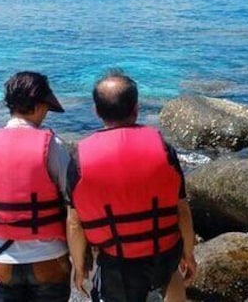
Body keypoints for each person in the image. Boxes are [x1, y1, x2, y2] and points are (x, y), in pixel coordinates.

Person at [67, 70, 197, 302]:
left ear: (96, 111)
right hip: (163, 252)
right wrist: (189, 252)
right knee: (170, 275)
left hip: (117, 260)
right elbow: (182, 211)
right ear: (136, 108)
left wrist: (79, 266)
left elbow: (75, 224)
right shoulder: (164, 149)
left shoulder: (80, 159)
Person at [0, 71, 72, 301]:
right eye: (45, 107)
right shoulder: (53, 145)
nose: (46, 113)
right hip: (50, 260)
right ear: (37, 105)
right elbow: (72, 202)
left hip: (3, 263)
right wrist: (82, 256)